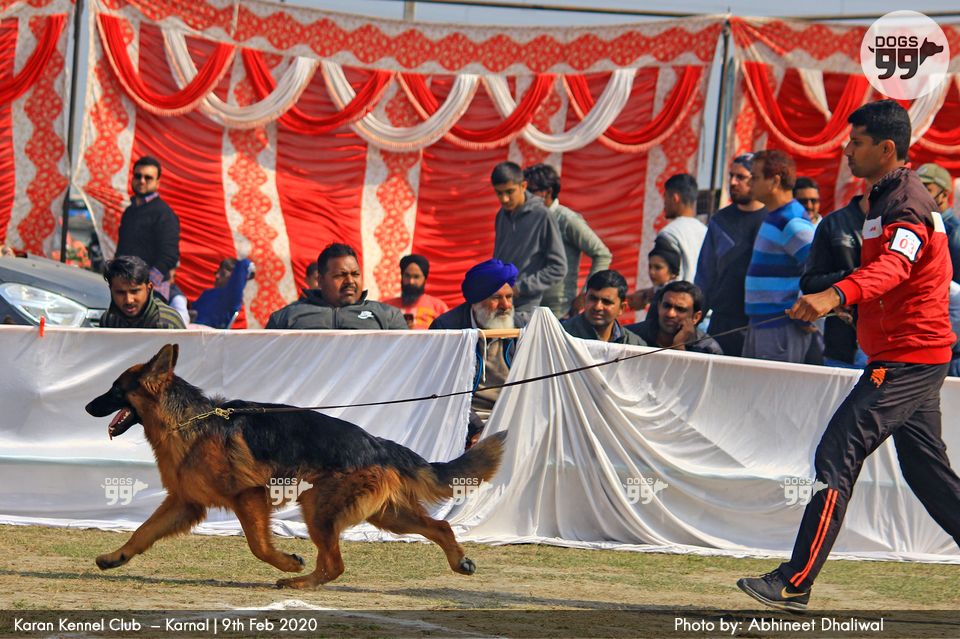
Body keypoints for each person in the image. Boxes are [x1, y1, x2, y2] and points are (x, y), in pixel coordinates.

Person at [737, 100, 960, 612]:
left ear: (886, 148)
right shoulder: (885, 197)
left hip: (906, 359)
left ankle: (795, 582)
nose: (846, 150)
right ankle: (795, 581)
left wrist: (835, 295)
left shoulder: (906, 202)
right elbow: (894, 281)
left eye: (856, 142)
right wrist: (848, 304)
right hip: (911, 353)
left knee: (836, 454)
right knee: (928, 475)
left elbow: (896, 268)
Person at [430, 259, 525, 447]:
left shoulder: (520, 326)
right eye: (496, 298)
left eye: (509, 297)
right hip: (465, 418)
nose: (506, 305)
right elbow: (442, 389)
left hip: (513, 415)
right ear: (476, 302)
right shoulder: (448, 328)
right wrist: (476, 429)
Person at [742, 149, 816, 363]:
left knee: (773, 384)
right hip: (763, 324)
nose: (750, 183)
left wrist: (803, 313)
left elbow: (818, 266)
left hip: (780, 328)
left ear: (774, 181)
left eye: (755, 177)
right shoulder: (775, 216)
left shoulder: (791, 222)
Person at [695, 154, 768, 357]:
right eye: (731, 176)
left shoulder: (772, 219)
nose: (733, 182)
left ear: (756, 179)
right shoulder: (721, 220)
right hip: (723, 322)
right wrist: (693, 319)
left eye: (741, 177)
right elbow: (705, 276)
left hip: (761, 323)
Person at [524, 163, 611, 318]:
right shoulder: (527, 217)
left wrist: (586, 294)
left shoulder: (566, 219)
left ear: (547, 192)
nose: (525, 197)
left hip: (559, 310)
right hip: (527, 306)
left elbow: (602, 254)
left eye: (531, 191)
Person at [800, 183, 870, 368]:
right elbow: (809, 283)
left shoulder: (905, 223)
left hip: (888, 352)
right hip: (841, 349)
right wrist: (850, 279)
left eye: (813, 200)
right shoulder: (834, 223)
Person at [266, 243, 407, 330]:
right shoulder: (284, 318)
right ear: (320, 280)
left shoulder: (388, 317)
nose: (350, 281)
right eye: (341, 275)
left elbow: (405, 361)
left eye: (355, 274)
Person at [490, 162, 567, 314]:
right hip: (500, 302)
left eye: (510, 192)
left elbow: (558, 268)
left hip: (526, 307)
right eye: (499, 193)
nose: (504, 199)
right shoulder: (501, 215)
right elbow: (498, 259)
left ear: (523, 186)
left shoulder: (542, 215)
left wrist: (520, 288)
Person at [115, 156, 180, 298]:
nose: (142, 181)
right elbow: (122, 251)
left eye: (148, 177)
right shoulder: (129, 212)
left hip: (152, 292)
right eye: (138, 176)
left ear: (157, 183)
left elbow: (169, 256)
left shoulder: (164, 214)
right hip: (126, 288)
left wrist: (145, 284)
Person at [627, 281, 722, 354]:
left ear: (696, 317)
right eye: (666, 306)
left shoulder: (708, 349)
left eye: (680, 309)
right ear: (659, 306)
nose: (670, 314)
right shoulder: (631, 337)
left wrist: (679, 346)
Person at [100, 255, 185, 329]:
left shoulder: (166, 323)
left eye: (134, 291)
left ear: (149, 288)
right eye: (120, 293)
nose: (129, 300)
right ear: (111, 290)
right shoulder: (109, 320)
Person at [562, 270, 645, 345]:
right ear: (584, 299)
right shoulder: (562, 337)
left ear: (621, 308)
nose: (598, 307)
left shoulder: (635, 345)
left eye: (606, 302)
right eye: (593, 299)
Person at [657, 173, 707, 283]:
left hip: (676, 293)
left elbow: (666, 279)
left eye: (665, 197)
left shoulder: (669, 234)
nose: (664, 203)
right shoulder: (706, 232)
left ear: (675, 198)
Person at [916, 163, 960, 283]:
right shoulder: (919, 223)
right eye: (917, 187)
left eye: (926, 189)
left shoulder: (955, 233)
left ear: (944, 195)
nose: (918, 194)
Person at [383, 254, 449, 330]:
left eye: (416, 277)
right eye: (407, 276)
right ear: (402, 276)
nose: (411, 281)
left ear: (424, 279)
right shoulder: (387, 306)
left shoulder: (438, 307)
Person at [193, 258, 255, 329]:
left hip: (209, 333)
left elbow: (244, 265)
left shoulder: (230, 298)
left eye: (222, 274)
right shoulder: (207, 293)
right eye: (216, 272)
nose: (217, 276)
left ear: (233, 278)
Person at [627, 238, 680, 316]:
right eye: (650, 267)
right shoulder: (657, 292)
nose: (652, 272)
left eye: (658, 267)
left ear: (673, 272)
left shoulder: (674, 297)